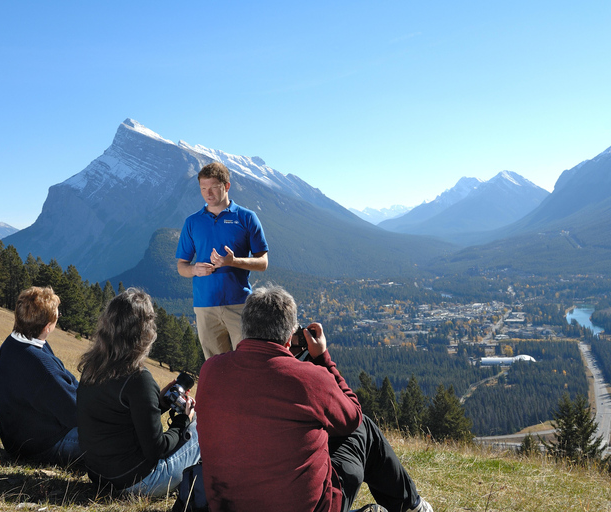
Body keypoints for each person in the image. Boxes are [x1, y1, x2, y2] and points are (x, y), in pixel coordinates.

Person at [196, 285, 434, 512]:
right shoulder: (309, 379)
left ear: (245, 327)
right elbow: (352, 417)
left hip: (226, 505)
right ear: (290, 337)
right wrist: (322, 358)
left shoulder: (211, 370)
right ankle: (410, 505)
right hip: (310, 507)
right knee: (365, 429)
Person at [77, 288, 200, 496]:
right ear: (144, 333)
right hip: (137, 482)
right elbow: (157, 449)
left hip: (100, 476)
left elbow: (119, 417)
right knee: (202, 426)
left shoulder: (92, 367)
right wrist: (183, 421)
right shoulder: (137, 378)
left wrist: (157, 403)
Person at [176, 162, 269, 359]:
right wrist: (194, 270)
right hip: (205, 306)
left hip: (240, 305)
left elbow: (263, 262)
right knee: (216, 370)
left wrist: (233, 261)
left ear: (226, 186)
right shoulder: (192, 222)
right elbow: (181, 266)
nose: (207, 193)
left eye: (213, 187)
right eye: (203, 188)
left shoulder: (247, 218)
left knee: (248, 364)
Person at [0, 286, 82, 465]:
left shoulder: (13, 344)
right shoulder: (40, 364)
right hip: (41, 446)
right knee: (113, 442)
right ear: (48, 327)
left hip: (18, 440)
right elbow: (76, 414)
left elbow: (66, 379)